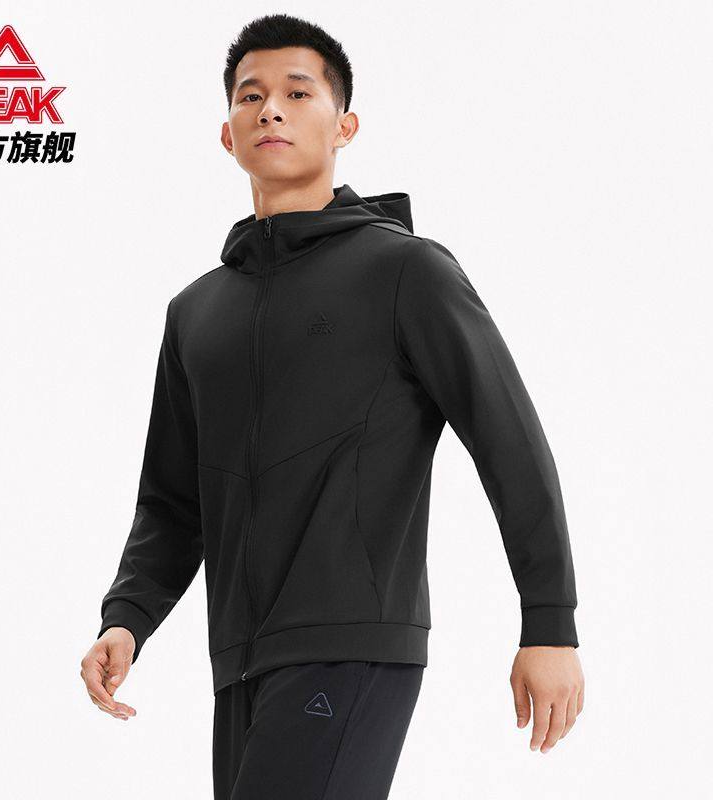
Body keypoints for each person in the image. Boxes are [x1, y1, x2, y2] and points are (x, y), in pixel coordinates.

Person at [80, 13, 584, 798]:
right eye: (250, 96)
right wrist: (128, 616)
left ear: (344, 125)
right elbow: (174, 501)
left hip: (352, 644)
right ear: (227, 135)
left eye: (296, 92)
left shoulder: (404, 272)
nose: (270, 111)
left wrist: (550, 623)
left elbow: (508, 440)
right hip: (239, 660)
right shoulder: (196, 313)